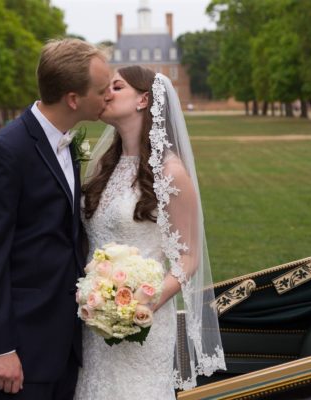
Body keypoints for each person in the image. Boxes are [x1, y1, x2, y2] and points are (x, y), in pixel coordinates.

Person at [0, 38, 112, 399]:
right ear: (73, 99)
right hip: (19, 350)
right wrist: (1, 349)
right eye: (102, 90)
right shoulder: (5, 152)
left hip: (62, 342)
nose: (109, 96)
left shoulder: (66, 141)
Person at [74, 66, 226, 399]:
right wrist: (101, 305)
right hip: (94, 323)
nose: (105, 94)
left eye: (115, 86)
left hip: (143, 322)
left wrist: (139, 305)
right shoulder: (104, 166)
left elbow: (189, 258)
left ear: (144, 99)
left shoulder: (171, 173)